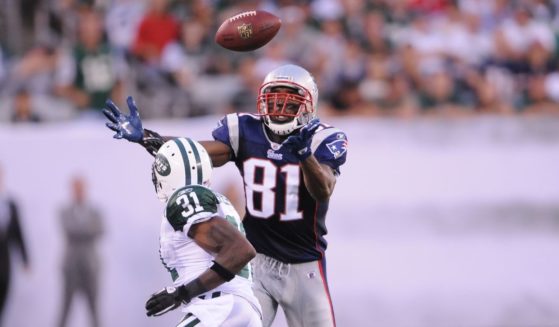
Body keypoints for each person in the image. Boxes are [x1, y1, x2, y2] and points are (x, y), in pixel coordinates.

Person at [103, 64, 348, 327]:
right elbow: (194, 153)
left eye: (288, 103)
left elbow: (323, 189)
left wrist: (304, 155)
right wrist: (147, 138)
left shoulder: (322, 138)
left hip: (304, 265)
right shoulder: (246, 130)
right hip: (258, 261)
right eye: (273, 100)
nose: (278, 110)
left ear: (308, 105)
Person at [145, 137, 262, 326]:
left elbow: (241, 250)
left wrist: (182, 293)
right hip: (238, 308)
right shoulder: (214, 200)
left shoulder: (185, 198)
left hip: (218, 308)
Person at [57, 175, 104, 327]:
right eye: (76, 189)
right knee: (65, 309)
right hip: (70, 267)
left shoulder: (95, 212)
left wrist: (81, 231)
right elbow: (69, 230)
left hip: (91, 267)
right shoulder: (64, 211)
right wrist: (88, 230)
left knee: (94, 311)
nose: (79, 192)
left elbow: (100, 230)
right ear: (72, 190)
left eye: (81, 189)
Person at [0, 164, 30, 326]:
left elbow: (19, 234)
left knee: (4, 298)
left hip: (4, 263)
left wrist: (25, 259)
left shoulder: (11, 204)